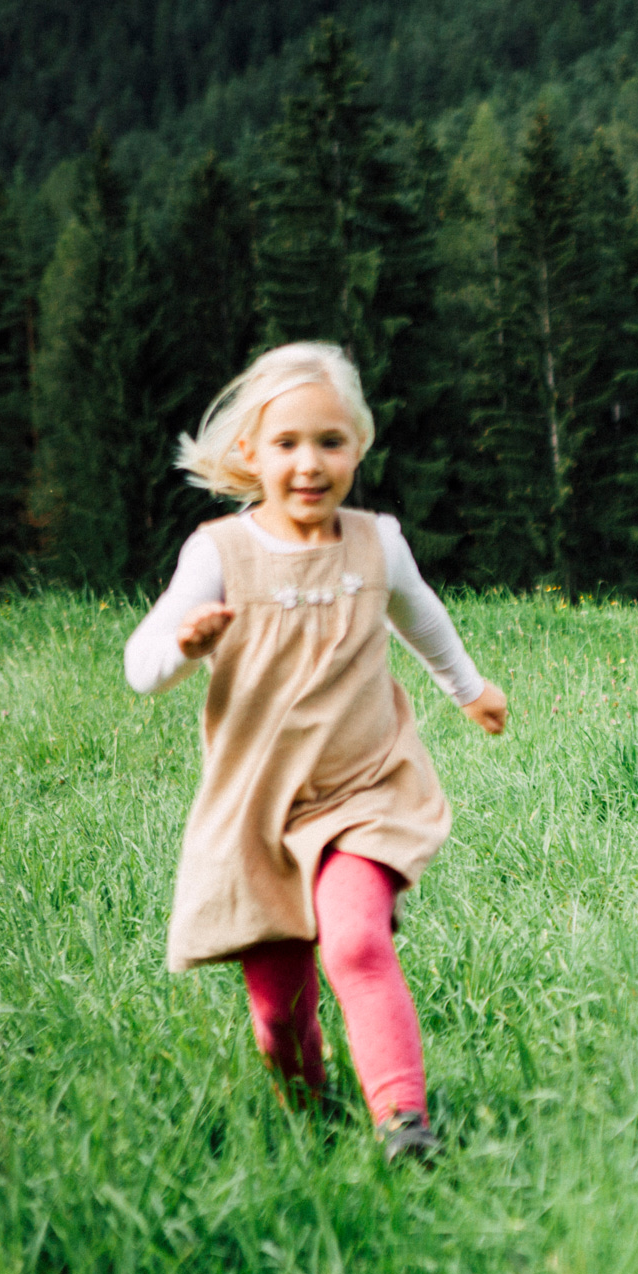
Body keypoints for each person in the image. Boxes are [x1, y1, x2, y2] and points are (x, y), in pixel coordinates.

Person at [123, 342, 508, 1162]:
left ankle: (404, 1118)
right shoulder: (219, 554)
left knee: (356, 937)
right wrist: (185, 645)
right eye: (287, 443)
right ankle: (309, 1114)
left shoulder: (377, 543)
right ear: (249, 455)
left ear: (358, 449)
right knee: (278, 1007)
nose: (309, 462)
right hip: (256, 806)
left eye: (330, 442)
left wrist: (468, 688)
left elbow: (423, 617)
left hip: (363, 787)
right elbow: (140, 663)